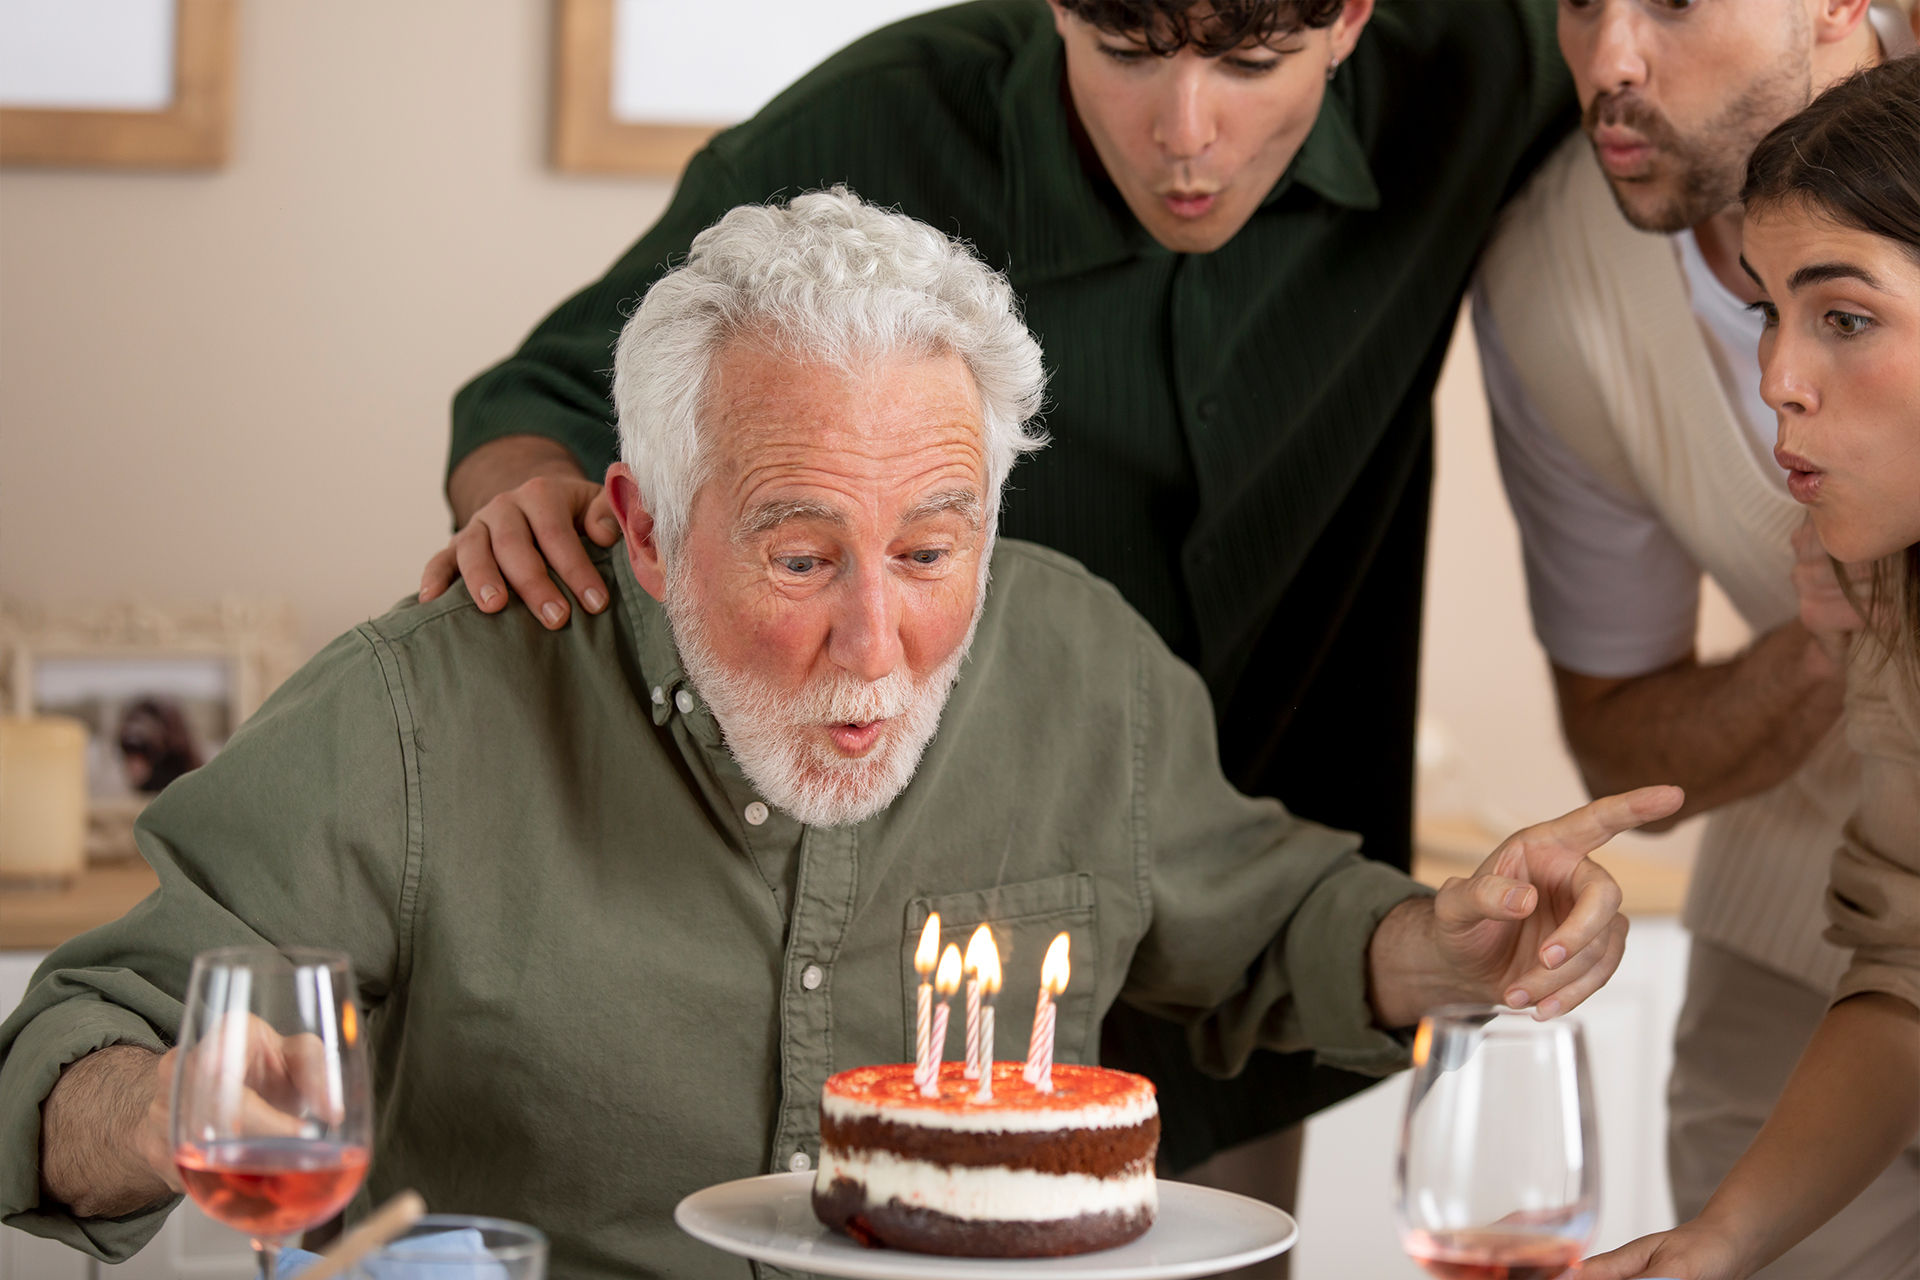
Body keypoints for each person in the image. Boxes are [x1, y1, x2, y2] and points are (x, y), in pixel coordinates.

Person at [0, 192, 1675, 1278]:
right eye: (801, 556)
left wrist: (1445, 944)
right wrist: (171, 1107)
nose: (877, 641)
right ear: (645, 531)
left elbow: (1276, 930)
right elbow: (67, 1054)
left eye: (934, 550)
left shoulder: (1079, 658)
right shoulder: (425, 705)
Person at [420, 0, 1579, 1187]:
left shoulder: (1482, 68)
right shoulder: (878, 120)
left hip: (1270, 930)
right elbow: (545, 397)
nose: (1189, 131)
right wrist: (525, 494)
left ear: (1348, 20)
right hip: (919, 923)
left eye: (1250, 63)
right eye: (1130, 55)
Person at [1470, 0, 1918, 1270]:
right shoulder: (1558, 280)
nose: (1607, 60)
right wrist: (1719, 1240)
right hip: (1806, 957)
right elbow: (1907, 950)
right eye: (1577, 3)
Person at [1587, 56, 1920, 1280]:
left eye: (1843, 316)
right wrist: (1719, 1242)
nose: (1779, 377)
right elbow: (1907, 979)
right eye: (1767, 313)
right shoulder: (1884, 601)